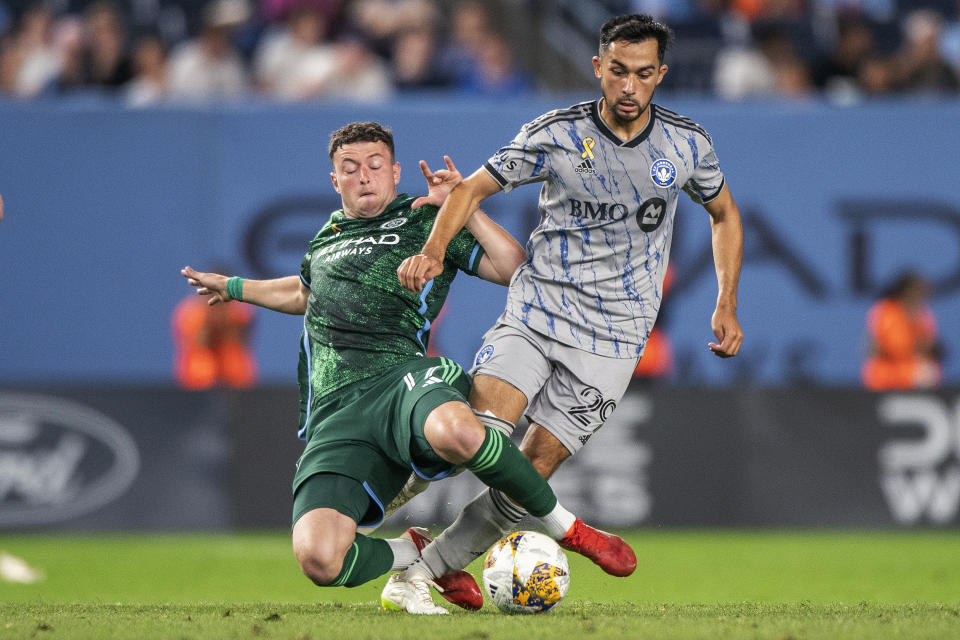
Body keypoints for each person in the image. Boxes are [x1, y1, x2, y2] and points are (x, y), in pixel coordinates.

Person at [181, 122, 635, 615]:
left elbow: (513, 269)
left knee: (458, 433)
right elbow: (303, 294)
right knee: (318, 557)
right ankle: (414, 552)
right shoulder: (326, 237)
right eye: (350, 169)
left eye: (375, 165)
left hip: (404, 379)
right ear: (335, 181)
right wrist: (233, 288)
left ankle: (568, 529)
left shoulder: (424, 222)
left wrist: (465, 205)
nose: (364, 176)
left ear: (394, 172)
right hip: (336, 412)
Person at [393, 13, 743, 603]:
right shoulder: (555, 133)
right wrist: (433, 248)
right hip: (538, 312)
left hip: (615, 338)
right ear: (597, 68)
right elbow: (474, 186)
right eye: (617, 71)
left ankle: (428, 565)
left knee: (530, 472)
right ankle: (368, 501)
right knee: (479, 435)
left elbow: (725, 214)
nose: (628, 86)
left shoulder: (687, 144)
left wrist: (726, 301)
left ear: (660, 74)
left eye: (642, 74)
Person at [172, 270, 258, 390]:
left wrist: (225, 322)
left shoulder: (238, 311)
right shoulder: (192, 312)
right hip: (200, 374)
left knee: (235, 364)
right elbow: (200, 342)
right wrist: (210, 320)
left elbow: (241, 340)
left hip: (232, 373)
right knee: (203, 366)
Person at [862, 272, 942, 391]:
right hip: (887, 370)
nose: (921, 294)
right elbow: (890, 346)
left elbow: (929, 346)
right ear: (906, 290)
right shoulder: (886, 311)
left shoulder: (923, 314)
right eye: (917, 289)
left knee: (930, 372)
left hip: (911, 369)